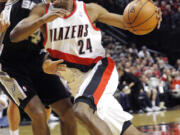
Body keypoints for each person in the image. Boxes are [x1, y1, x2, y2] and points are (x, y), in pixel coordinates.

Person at [11, 0, 161, 134]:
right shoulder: (42, 10)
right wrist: (43, 21)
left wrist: (152, 17)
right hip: (76, 83)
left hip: (98, 70)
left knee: (81, 110)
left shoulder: (90, 10)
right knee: (121, 128)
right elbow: (15, 35)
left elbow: (128, 22)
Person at [0, 0, 77, 135]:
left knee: (67, 110)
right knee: (37, 112)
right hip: (10, 65)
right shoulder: (18, 5)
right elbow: (14, 35)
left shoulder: (51, 7)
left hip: (37, 62)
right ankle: (14, 133)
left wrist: (50, 58)